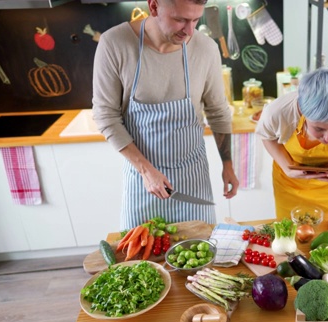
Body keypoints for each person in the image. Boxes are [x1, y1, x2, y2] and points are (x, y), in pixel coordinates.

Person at [92, 0, 238, 229]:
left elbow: (218, 111)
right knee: (141, 261)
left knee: (201, 257)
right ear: (154, 7)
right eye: (180, 20)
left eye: (195, 20)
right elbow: (105, 116)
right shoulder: (115, 43)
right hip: (143, 181)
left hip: (193, 179)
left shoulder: (206, 48)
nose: (189, 31)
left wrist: (227, 164)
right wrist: (145, 170)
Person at [255, 67, 328, 218]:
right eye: (319, 128)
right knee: (289, 233)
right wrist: (286, 167)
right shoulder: (277, 112)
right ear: (303, 112)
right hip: (290, 185)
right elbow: (267, 136)